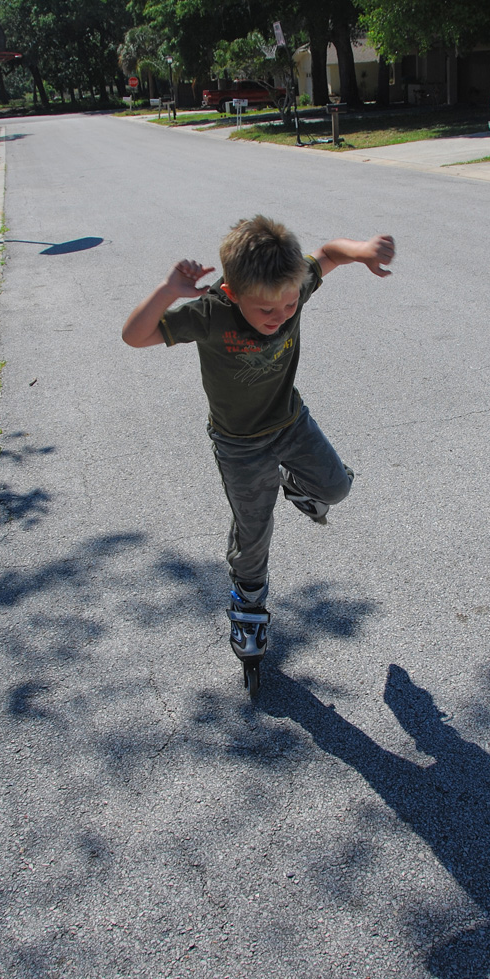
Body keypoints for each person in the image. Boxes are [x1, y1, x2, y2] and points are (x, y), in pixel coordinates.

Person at [121, 215, 395, 670]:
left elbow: (328, 254)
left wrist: (363, 250)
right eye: (267, 310)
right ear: (232, 293)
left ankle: (296, 483)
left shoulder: (292, 285)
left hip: (290, 421)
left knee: (337, 489)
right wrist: (169, 290)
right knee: (255, 529)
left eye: (289, 306)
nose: (281, 316)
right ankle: (249, 604)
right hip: (239, 444)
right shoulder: (211, 312)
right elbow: (135, 336)